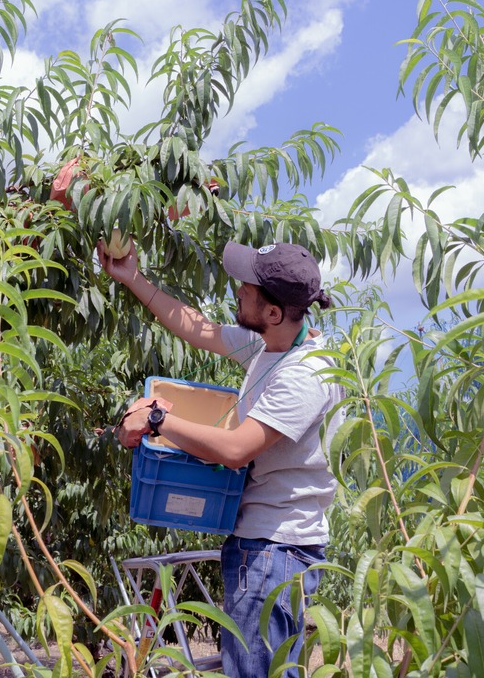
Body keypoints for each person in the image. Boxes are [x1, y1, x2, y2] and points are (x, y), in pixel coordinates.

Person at [97, 239, 342, 678]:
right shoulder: (271, 345)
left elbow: (235, 450)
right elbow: (198, 328)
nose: (238, 291)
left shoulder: (306, 373)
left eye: (247, 288)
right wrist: (132, 277)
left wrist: (156, 420)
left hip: (275, 551)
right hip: (264, 547)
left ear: (273, 312)